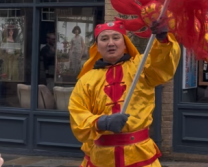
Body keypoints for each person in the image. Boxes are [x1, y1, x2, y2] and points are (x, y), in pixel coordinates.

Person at [68, 20, 181, 167]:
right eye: (104, 39)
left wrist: (162, 40)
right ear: (96, 46)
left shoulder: (141, 66)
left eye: (116, 37)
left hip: (141, 157)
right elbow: (77, 113)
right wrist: (102, 122)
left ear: (124, 42)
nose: (110, 43)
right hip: (101, 159)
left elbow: (161, 64)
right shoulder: (86, 80)